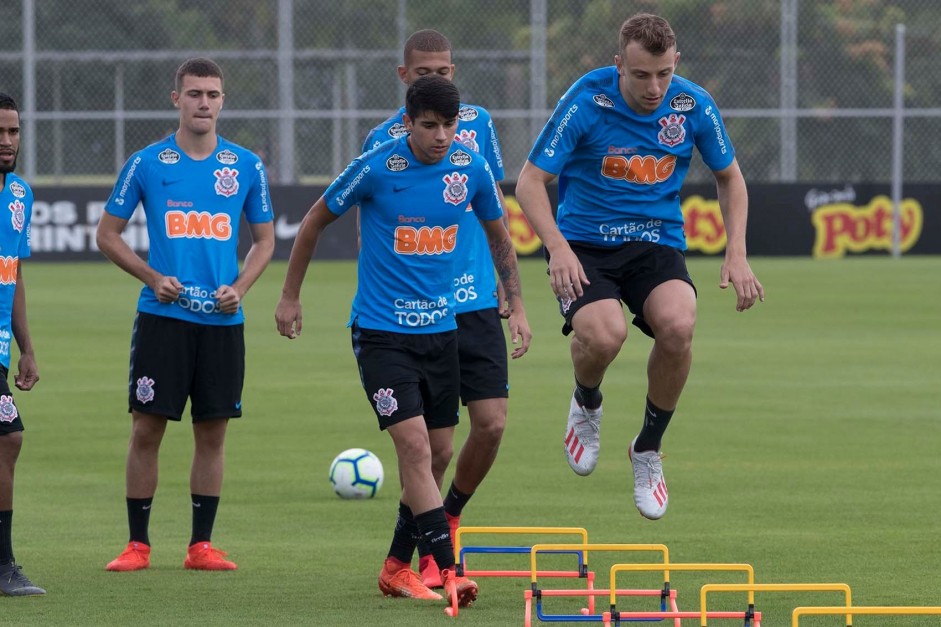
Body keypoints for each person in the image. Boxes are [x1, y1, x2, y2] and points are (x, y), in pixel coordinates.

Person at [276, 75, 530, 608]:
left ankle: (395, 567)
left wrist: (518, 304)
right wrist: (290, 296)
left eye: (450, 126)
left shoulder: (470, 167)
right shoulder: (377, 167)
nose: (442, 137)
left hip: (443, 331)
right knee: (414, 447)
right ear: (408, 122)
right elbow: (313, 222)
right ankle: (448, 569)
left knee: (438, 454)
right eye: (430, 126)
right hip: (381, 333)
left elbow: (499, 235)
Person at [515, 13, 764, 520]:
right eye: (641, 75)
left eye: (664, 74)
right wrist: (558, 247)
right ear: (618, 66)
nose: (654, 88)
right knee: (605, 337)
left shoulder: (692, 104)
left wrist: (736, 251)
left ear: (675, 64)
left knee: (679, 324)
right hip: (584, 244)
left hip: (655, 243)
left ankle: (647, 448)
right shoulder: (586, 101)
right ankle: (586, 401)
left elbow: (730, 179)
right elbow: (529, 181)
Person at [97, 58, 275, 571]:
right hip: (163, 319)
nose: (203, 102)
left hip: (221, 324)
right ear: (176, 99)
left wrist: (240, 288)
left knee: (212, 434)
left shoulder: (244, 166)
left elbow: (265, 241)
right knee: (147, 429)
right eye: (194, 93)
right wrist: (153, 277)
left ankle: (201, 546)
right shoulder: (147, 163)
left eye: (212, 94)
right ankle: (137, 545)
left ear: (223, 101)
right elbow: (107, 234)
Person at [362, 28, 524, 589]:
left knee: (492, 425)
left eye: (447, 71)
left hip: (475, 300)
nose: (438, 79)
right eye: (426, 71)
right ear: (404, 77)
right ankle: (422, 555)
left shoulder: (476, 126)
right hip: (415, 308)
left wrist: (511, 288)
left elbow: (492, 207)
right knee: (429, 447)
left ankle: (448, 515)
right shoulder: (381, 143)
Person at [0, 93, 44, 597]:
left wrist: (27, 346)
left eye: (13, 132)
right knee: (7, 439)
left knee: (5, 441)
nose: (8, 141)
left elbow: (13, 272)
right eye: (0, 132)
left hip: (2, 349)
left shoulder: (19, 195)